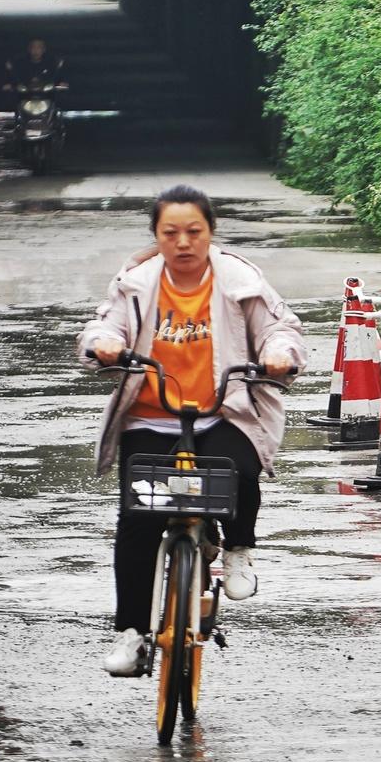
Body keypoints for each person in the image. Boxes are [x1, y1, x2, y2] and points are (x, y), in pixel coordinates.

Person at [78, 185, 307, 676]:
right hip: (150, 415)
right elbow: (104, 326)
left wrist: (278, 355)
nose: (183, 242)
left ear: (210, 232)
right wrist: (105, 345)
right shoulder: (136, 283)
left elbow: (280, 328)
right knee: (139, 519)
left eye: (193, 232)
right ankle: (132, 634)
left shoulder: (239, 279)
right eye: (170, 233)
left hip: (224, 411)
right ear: (156, 237)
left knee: (238, 470)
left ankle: (239, 547)